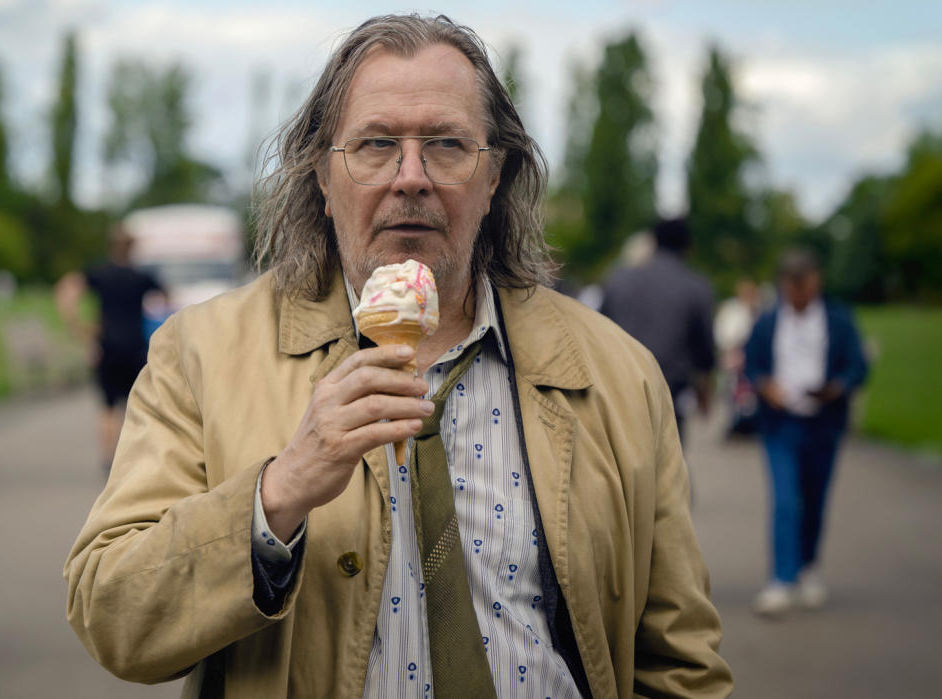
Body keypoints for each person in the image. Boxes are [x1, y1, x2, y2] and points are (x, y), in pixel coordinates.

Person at [65, 14, 732, 698]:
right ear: (324, 177)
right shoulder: (200, 353)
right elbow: (113, 614)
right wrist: (279, 493)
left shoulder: (619, 373)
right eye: (377, 144)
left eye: (446, 144)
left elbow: (679, 663)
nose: (410, 177)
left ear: (494, 174)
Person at [744, 250, 867, 617]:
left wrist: (836, 387)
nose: (798, 293)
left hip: (823, 422)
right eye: (792, 285)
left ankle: (808, 565)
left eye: (805, 284)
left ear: (816, 281)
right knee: (786, 500)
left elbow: (857, 367)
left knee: (814, 498)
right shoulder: (767, 322)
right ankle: (782, 579)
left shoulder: (839, 320)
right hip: (781, 423)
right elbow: (752, 364)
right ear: (784, 285)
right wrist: (766, 387)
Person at [54, 227, 163, 470]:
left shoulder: (99, 274)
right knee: (136, 405)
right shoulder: (141, 277)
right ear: (132, 249)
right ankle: (133, 458)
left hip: (107, 346)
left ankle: (107, 457)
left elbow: (66, 290)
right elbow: (167, 299)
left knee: (107, 406)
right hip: (135, 347)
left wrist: (76, 325)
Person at [601, 218, 716, 442]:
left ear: (653, 241)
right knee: (666, 465)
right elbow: (704, 349)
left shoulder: (619, 279)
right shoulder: (695, 286)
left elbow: (597, 331)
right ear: (688, 246)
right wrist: (704, 391)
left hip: (618, 388)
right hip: (668, 392)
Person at [713, 279, 761, 437]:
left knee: (748, 393)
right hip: (733, 354)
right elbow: (725, 333)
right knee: (731, 391)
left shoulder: (758, 309)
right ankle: (734, 424)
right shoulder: (731, 310)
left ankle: (748, 423)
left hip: (750, 357)